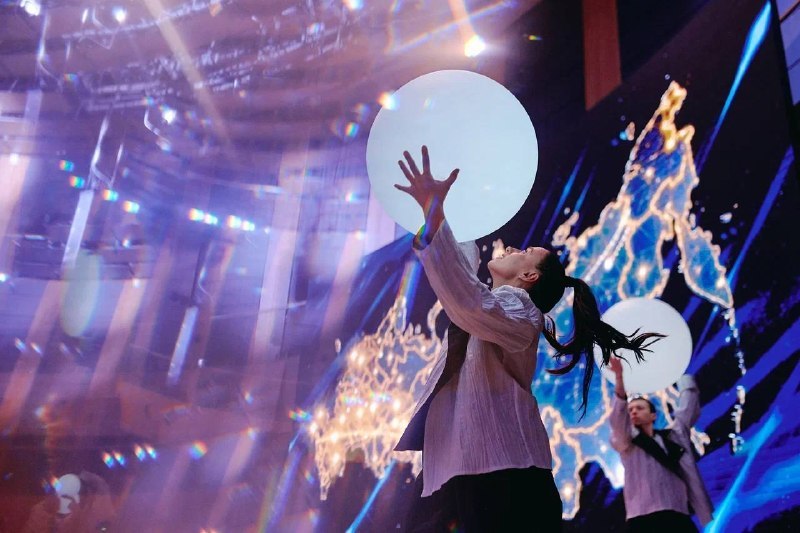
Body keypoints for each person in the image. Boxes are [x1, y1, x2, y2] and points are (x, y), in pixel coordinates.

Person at [393, 146, 663, 532]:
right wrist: (440, 210)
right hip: (464, 470)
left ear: (529, 277)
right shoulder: (490, 311)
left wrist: (435, 213)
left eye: (524, 252)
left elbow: (468, 299)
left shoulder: (522, 309)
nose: (511, 248)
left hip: (503, 475)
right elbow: (461, 279)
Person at [608, 357, 714, 532]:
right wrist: (619, 378)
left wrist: (679, 371)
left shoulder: (673, 438)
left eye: (639, 408)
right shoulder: (627, 443)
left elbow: (688, 408)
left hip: (677, 516)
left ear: (653, 415)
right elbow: (618, 420)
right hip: (643, 520)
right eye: (630, 410)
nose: (633, 412)